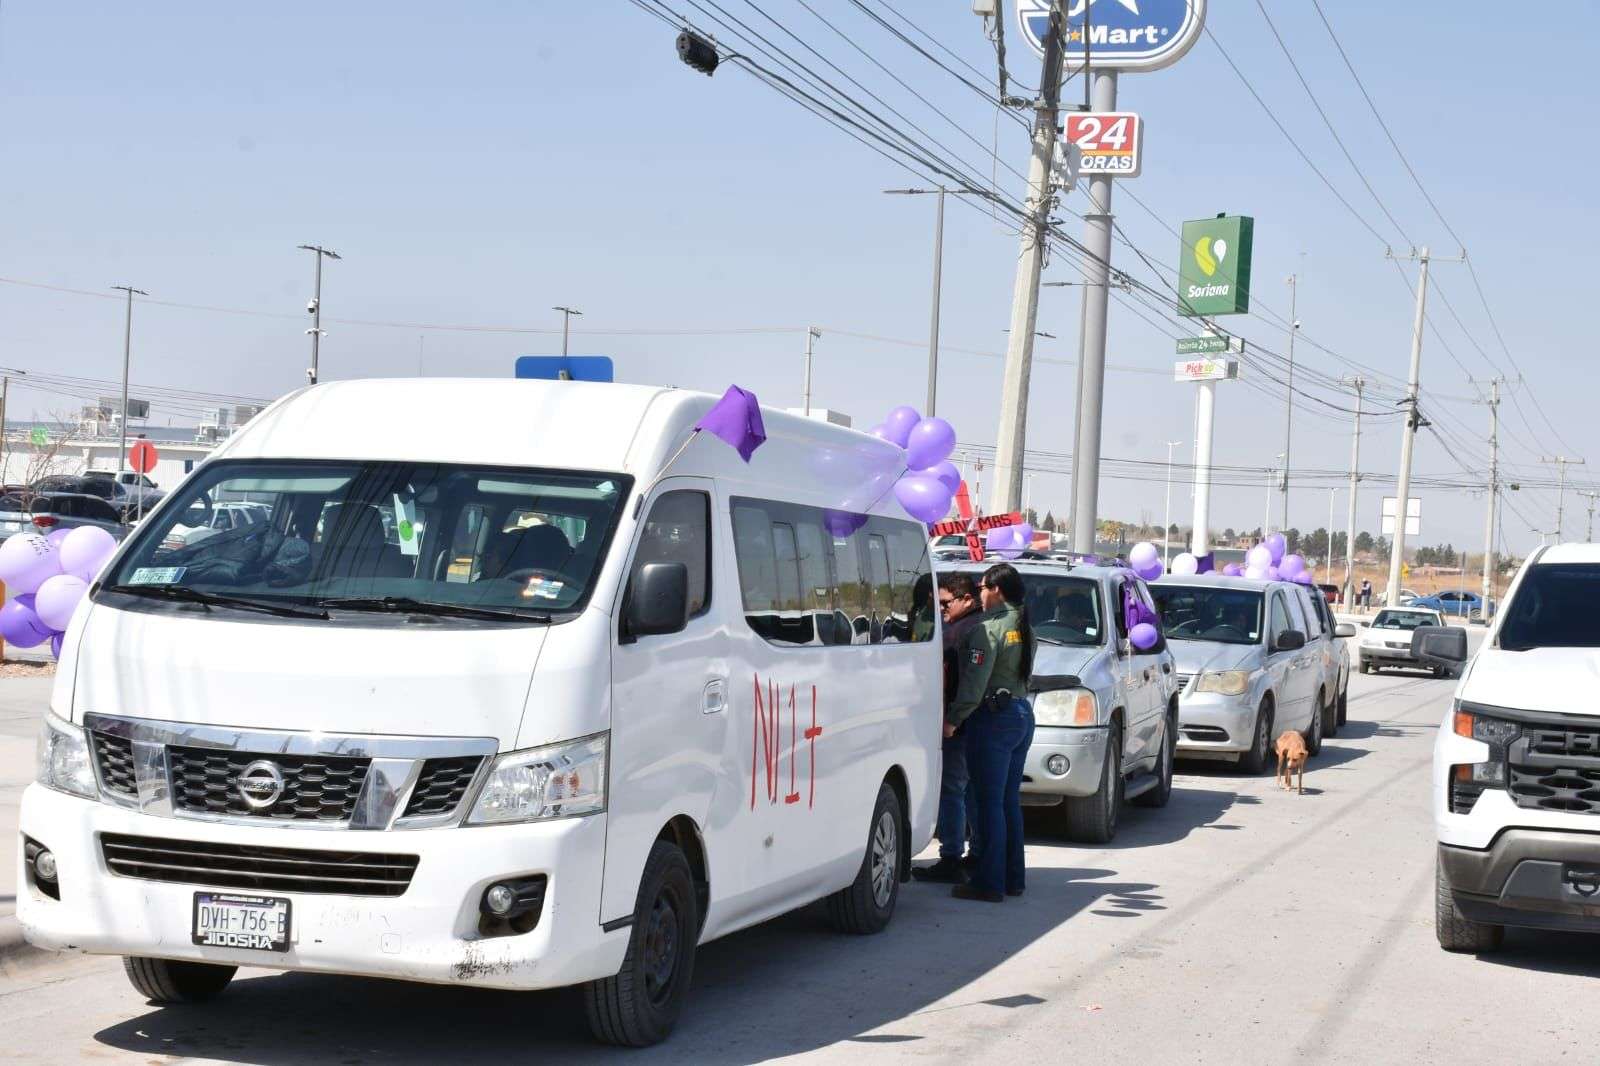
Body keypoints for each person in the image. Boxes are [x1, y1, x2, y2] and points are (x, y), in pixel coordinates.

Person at [947, 562, 1037, 903]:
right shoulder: (1025, 626)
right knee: (1008, 802)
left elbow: (974, 684)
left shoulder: (990, 629)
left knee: (988, 804)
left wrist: (953, 719)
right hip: (1020, 713)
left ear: (996, 590)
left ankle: (988, 882)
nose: (979, 594)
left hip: (993, 719)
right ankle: (1013, 878)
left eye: (982, 588)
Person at [912, 572, 984, 884]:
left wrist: (952, 720)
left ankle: (952, 857)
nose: (941, 609)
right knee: (971, 791)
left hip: (959, 723)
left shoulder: (959, 632)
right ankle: (976, 853)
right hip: (977, 723)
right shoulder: (976, 625)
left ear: (966, 599)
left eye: (945, 603)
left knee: (952, 790)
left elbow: (965, 683)